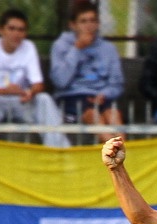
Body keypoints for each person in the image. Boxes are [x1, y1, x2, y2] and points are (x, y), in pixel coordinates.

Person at [0, 8, 70, 147]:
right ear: (1, 30)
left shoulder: (28, 47)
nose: (16, 34)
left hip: (20, 101)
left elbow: (38, 85)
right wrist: (5, 91)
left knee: (43, 99)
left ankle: (61, 155)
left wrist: (30, 92)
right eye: (12, 28)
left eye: (21, 30)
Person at [50, 0, 124, 143]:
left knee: (114, 115)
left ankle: (122, 158)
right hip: (73, 96)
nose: (89, 26)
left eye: (92, 21)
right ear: (73, 25)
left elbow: (117, 83)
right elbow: (60, 81)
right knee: (93, 115)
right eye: (83, 21)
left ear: (98, 24)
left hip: (102, 96)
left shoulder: (108, 48)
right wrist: (76, 49)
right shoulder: (61, 46)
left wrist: (105, 94)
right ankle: (116, 160)